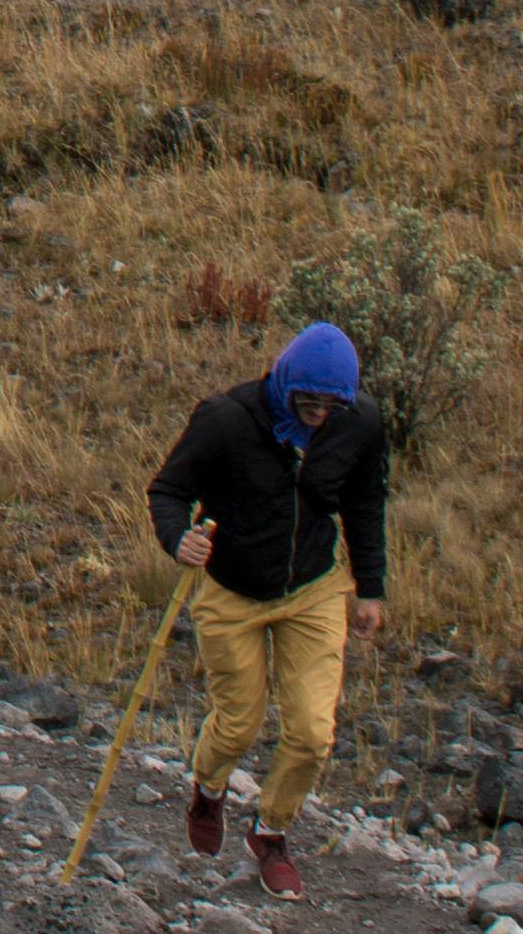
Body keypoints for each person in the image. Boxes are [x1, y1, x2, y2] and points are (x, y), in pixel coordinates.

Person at [148, 318, 392, 897]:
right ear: (285, 382)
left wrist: (372, 587)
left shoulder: (360, 422)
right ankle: (208, 790)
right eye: (307, 401)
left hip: (314, 588)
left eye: (332, 406)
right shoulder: (226, 420)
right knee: (239, 723)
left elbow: (364, 500)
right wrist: (177, 537)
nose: (318, 416)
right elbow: (168, 490)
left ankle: (272, 832)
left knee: (311, 732)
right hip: (232, 592)